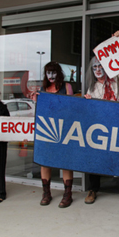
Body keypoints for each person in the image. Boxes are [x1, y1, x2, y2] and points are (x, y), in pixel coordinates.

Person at [83, 30, 119, 206]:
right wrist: (88, 103)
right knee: (95, 156)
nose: (98, 70)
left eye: (101, 66)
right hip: (100, 126)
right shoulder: (91, 89)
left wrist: (116, 41)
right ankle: (93, 189)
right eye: (95, 67)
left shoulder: (117, 79)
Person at [33, 61, 75, 208]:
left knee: (65, 162)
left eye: (53, 72)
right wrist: (36, 101)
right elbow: (40, 111)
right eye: (48, 72)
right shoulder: (43, 89)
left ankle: (67, 194)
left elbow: (72, 107)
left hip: (64, 129)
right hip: (47, 129)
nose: (50, 75)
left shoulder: (66, 87)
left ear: (59, 73)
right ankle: (46, 193)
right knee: (45, 161)